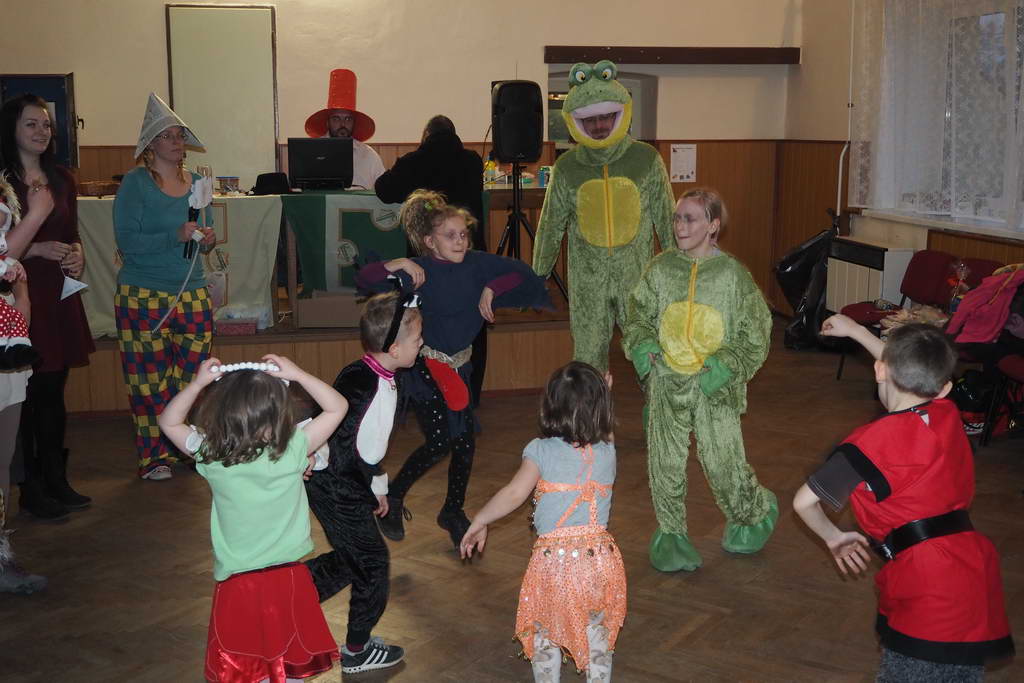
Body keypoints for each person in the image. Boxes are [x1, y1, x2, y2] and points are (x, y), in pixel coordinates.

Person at [794, 316, 1014, 680]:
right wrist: (857, 332)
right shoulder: (945, 412)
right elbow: (915, 370)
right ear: (944, 387)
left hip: (928, 585)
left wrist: (834, 538)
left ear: (879, 371)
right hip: (972, 571)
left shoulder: (869, 445)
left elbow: (804, 502)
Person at [357, 189, 550, 549]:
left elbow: (521, 274)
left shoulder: (477, 264)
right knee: (441, 441)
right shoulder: (421, 271)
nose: (460, 241)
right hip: (424, 368)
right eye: (450, 235)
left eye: (463, 234)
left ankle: (452, 510)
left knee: (463, 443)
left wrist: (491, 288)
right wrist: (398, 264)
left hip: (460, 367)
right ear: (430, 242)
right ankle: (394, 496)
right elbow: (366, 279)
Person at [158, 354, 347, 682]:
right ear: (278, 415)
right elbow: (337, 407)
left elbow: (168, 422)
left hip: (238, 584)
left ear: (222, 413)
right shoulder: (293, 450)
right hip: (288, 579)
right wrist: (299, 373)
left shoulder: (212, 455)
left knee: (247, 665)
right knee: (290, 660)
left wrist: (197, 384)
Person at [623, 188, 777, 572]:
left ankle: (753, 511)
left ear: (713, 225)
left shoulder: (732, 275)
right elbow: (638, 314)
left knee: (724, 465)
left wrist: (726, 365)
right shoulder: (660, 269)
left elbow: (756, 331)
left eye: (690, 218)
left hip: (713, 386)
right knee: (664, 466)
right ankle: (672, 537)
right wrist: (644, 346)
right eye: (677, 217)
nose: (680, 225)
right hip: (666, 381)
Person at [460, 361, 625, 682]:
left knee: (544, 631)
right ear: (600, 409)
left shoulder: (541, 451)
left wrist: (480, 519)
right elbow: (606, 431)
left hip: (555, 564)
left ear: (550, 405)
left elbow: (514, 493)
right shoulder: (607, 451)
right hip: (601, 562)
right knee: (597, 633)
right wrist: (605, 395)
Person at [303, 291, 420, 674]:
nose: (421, 343)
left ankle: (284, 598)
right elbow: (350, 451)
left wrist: (378, 488)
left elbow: (363, 448)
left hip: (341, 480)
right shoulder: (365, 385)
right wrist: (369, 491)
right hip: (336, 486)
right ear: (395, 348)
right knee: (371, 562)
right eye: (417, 338)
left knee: (353, 557)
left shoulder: (371, 373)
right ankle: (356, 650)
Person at [533, 60, 675, 372]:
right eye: (590, 119)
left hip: (636, 277)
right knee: (587, 356)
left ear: (620, 114)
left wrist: (679, 265)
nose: (598, 126)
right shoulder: (567, 168)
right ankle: (589, 405)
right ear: (576, 121)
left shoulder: (646, 159)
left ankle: (661, 403)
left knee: (649, 353)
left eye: (605, 117)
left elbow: (667, 217)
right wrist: (538, 274)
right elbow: (550, 225)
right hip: (588, 281)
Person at [113, 93, 216, 481]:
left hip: (192, 293)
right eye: (168, 136)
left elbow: (204, 235)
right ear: (151, 144)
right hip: (143, 294)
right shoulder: (136, 184)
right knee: (147, 381)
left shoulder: (199, 182)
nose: (176, 142)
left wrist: (207, 239)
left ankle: (184, 447)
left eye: (179, 135)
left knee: (191, 379)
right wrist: (175, 235)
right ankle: (153, 456)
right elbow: (127, 242)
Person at [0, 93, 94, 519]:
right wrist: (36, 247)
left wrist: (78, 254)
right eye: (31, 124)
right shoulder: (4, 181)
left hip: (56, 291)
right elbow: (5, 249)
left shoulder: (61, 179)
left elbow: (71, 232)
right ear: (12, 129)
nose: (41, 132)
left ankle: (57, 478)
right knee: (24, 392)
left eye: (46, 125)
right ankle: (30, 486)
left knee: (53, 390)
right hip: (20, 292)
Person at [373, 114, 488, 406]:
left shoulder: (413, 161)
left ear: (425, 136)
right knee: (472, 322)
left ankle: (429, 395)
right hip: (467, 252)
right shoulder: (472, 161)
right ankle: (470, 394)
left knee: (421, 323)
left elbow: (383, 190)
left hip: (426, 259)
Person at [0, 176, 45, 592]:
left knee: (2, 460)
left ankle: (0, 555)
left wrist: (22, 290)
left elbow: (22, 317)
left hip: (7, 363)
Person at [304, 69, 385, 190]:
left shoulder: (369, 156)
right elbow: (298, 191)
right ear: (327, 122)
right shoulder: (311, 152)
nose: (343, 124)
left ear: (354, 123)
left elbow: (384, 191)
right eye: (336, 119)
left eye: (348, 119)